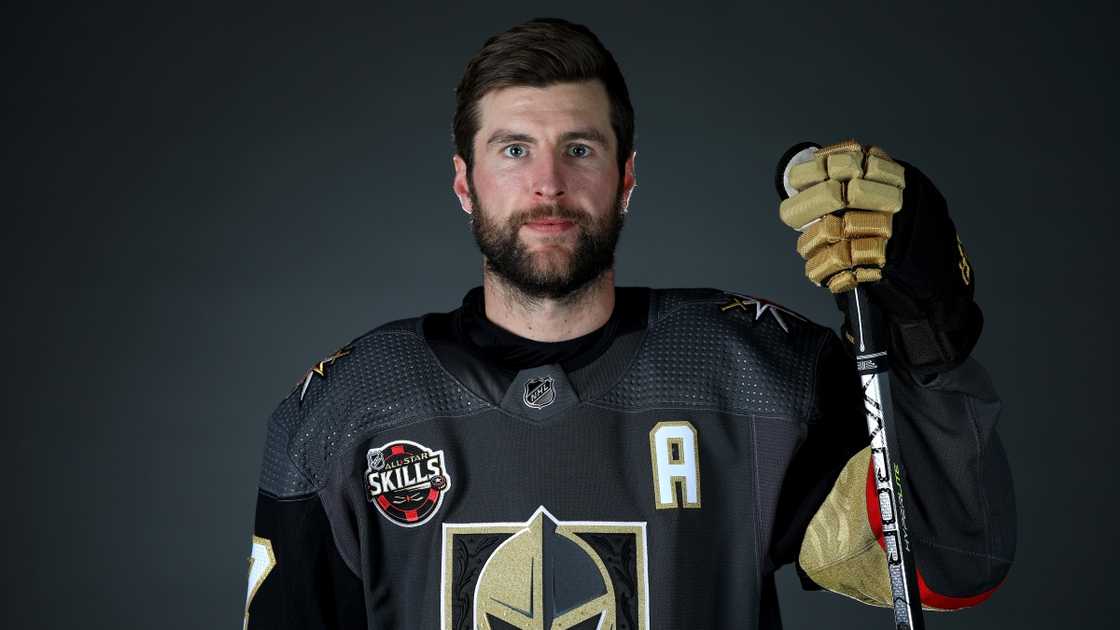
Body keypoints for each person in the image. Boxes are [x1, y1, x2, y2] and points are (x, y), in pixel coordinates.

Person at [243, 17, 1015, 629]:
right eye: (514, 149)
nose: (548, 183)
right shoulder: (345, 410)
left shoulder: (757, 371)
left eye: (579, 148)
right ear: (465, 184)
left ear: (627, 178)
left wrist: (927, 345)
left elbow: (946, 569)